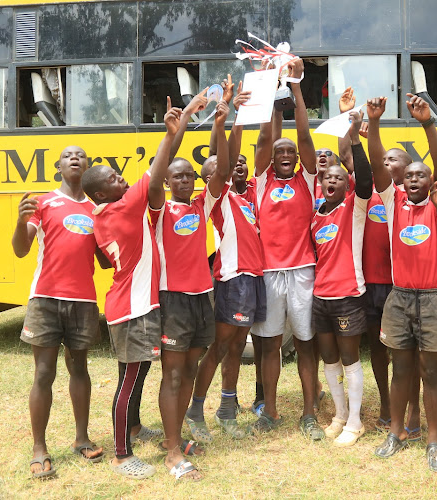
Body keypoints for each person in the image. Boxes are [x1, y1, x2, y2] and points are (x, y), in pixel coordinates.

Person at [81, 100, 181, 479]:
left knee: (133, 374)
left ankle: (136, 428)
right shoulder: (121, 208)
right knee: (130, 379)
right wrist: (172, 131)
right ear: (102, 194)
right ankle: (123, 454)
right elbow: (158, 169)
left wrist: (178, 127)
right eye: (113, 180)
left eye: (119, 176)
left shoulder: (105, 214)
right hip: (134, 307)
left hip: (128, 303)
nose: (121, 180)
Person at [367, 94, 437, 472]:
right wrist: (373, 124)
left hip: (434, 298)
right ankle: (397, 431)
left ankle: (433, 441)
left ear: (431, 180)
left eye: (422, 175)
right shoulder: (393, 203)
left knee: (431, 372)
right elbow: (375, 165)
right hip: (399, 298)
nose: (415, 180)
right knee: (400, 369)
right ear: (400, 182)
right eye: (409, 177)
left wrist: (427, 124)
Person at [11, 146, 108, 479]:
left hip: (83, 301)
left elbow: (105, 259)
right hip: (46, 299)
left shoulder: (96, 208)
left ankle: (81, 438)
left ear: (87, 165)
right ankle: (39, 447)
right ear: (59, 166)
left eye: (82, 155)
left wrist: (116, 220)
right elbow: (22, 250)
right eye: (68, 155)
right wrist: (19, 220)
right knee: (43, 373)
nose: (75, 158)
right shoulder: (43, 203)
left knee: (79, 368)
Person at [154, 95, 231, 480]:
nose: (184, 180)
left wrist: (219, 122)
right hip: (172, 300)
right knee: (171, 374)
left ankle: (176, 433)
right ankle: (171, 451)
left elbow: (224, 170)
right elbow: (157, 169)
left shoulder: (203, 205)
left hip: (203, 297)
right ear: (167, 182)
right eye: (176, 176)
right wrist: (181, 121)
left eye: (188, 175)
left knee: (189, 368)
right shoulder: (158, 210)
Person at [249, 57, 324, 440]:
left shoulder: (308, 180)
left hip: (302, 271)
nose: (284, 154)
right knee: (269, 345)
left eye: (290, 152)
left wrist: (295, 85)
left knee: (307, 342)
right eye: (279, 151)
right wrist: (267, 85)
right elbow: (265, 137)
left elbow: (306, 138)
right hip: (268, 272)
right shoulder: (259, 181)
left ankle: (310, 411)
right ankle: (271, 411)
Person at [186, 79, 264, 440]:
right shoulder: (214, 198)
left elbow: (230, 162)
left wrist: (240, 115)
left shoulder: (244, 200)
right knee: (219, 347)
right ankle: (195, 410)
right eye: (221, 168)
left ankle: (227, 409)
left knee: (236, 347)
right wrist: (226, 122)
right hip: (232, 279)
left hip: (253, 279)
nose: (231, 168)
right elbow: (223, 165)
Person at [312, 109, 373, 447]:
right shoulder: (315, 218)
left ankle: (355, 421)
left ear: (346, 183)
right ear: (321, 183)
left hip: (349, 296)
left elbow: (365, 178)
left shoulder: (354, 207)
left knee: (350, 361)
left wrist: (354, 136)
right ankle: (338, 414)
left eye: (338, 178)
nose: (332, 181)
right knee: (330, 360)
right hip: (320, 299)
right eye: (327, 178)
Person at [336, 87, 393, 432]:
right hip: (368, 285)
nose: (384, 166)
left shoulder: (400, 195)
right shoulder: (362, 191)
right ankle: (385, 403)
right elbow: (346, 153)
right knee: (377, 350)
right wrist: (349, 117)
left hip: (397, 285)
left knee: (401, 349)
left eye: (389, 161)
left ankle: (402, 405)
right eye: (380, 162)